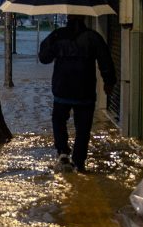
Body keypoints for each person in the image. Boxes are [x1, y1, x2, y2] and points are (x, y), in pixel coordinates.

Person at [37, 14, 116, 173]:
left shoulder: (58, 35)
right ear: (84, 18)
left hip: (62, 89)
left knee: (59, 121)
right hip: (84, 92)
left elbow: (44, 58)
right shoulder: (93, 37)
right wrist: (109, 82)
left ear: (67, 17)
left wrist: (54, 43)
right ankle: (79, 162)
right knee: (83, 128)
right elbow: (105, 61)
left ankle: (63, 152)